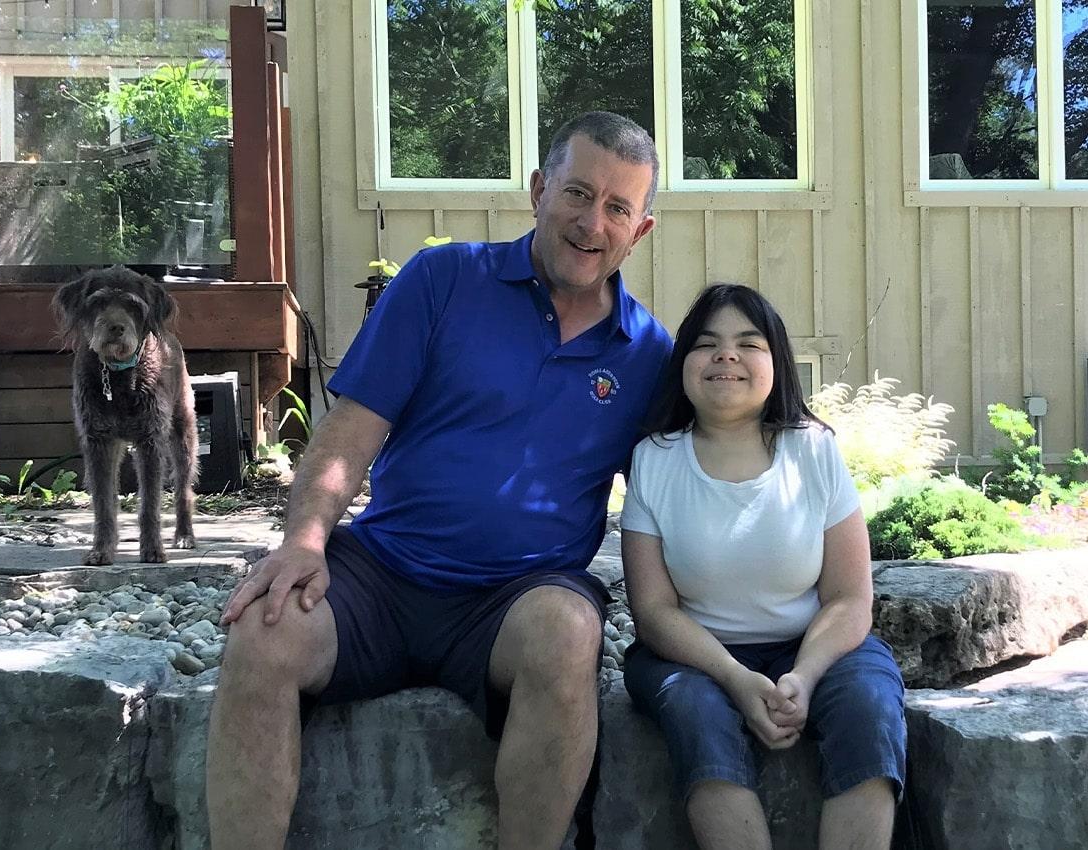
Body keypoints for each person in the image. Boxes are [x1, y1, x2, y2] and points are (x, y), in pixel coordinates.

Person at [205, 111, 673, 850]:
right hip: (382, 576)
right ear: (538, 191)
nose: (592, 222)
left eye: (618, 207)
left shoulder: (648, 354)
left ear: (639, 230)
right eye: (578, 194)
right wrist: (302, 542)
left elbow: (675, 501)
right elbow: (350, 431)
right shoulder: (444, 279)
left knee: (570, 631)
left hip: (515, 600)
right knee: (265, 632)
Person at [621, 284, 907, 850]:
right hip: (693, 655)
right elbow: (653, 611)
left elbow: (850, 598)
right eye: (707, 344)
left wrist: (803, 675)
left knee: (870, 707)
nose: (726, 355)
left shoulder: (814, 450)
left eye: (748, 343)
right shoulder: (654, 459)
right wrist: (734, 677)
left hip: (816, 644)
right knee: (695, 713)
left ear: (776, 362)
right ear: (683, 364)